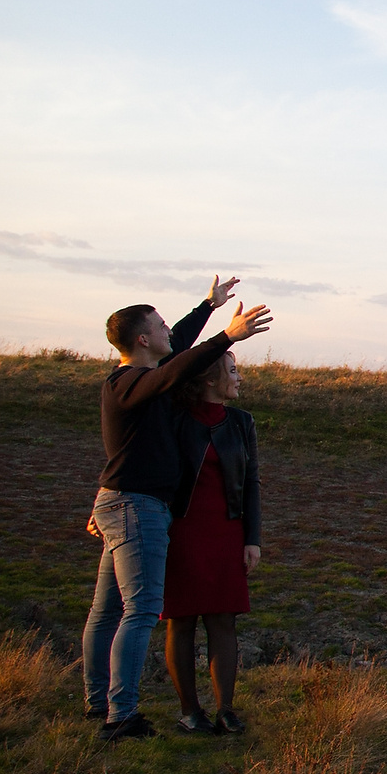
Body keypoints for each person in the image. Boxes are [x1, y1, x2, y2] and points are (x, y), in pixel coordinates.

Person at [83, 278, 271, 741]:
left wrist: (208, 306)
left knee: (106, 612)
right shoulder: (129, 382)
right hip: (137, 506)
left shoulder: (143, 380)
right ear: (142, 339)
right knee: (142, 610)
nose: (170, 330)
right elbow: (177, 367)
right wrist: (226, 336)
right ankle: (120, 716)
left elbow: (178, 351)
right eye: (161, 325)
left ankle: (98, 702)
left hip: (124, 501)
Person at [161, 350, 263, 735]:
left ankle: (226, 711)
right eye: (232, 371)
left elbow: (251, 482)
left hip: (227, 531)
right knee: (181, 620)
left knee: (223, 618)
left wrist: (252, 539)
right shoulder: (175, 419)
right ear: (208, 379)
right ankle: (190, 712)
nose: (239, 378)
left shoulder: (241, 422)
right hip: (181, 531)